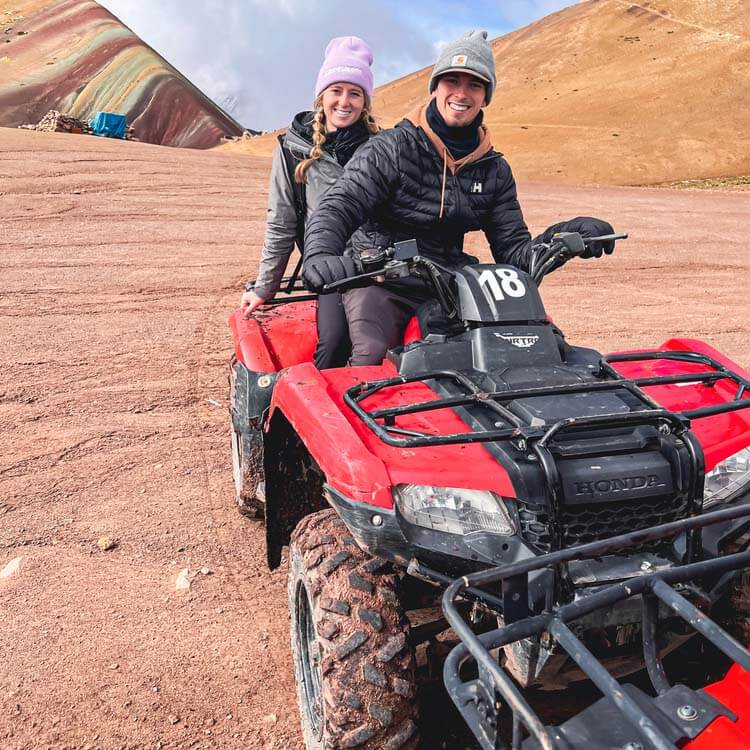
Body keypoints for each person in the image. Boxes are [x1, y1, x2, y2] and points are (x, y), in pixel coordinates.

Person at [302, 30, 617, 365]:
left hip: (448, 286)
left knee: (523, 352)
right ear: (435, 87)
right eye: (451, 80)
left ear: (486, 97)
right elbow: (340, 206)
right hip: (381, 280)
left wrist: (566, 235)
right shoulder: (391, 148)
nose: (461, 93)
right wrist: (321, 254)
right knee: (370, 356)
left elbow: (515, 255)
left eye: (475, 84)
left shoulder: (493, 169)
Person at [240, 36, 379, 369]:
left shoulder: (382, 148)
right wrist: (265, 287)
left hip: (376, 269)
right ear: (321, 95)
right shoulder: (292, 149)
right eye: (337, 90)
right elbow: (282, 220)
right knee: (332, 345)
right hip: (330, 269)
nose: (345, 102)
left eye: (355, 93)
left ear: (365, 101)